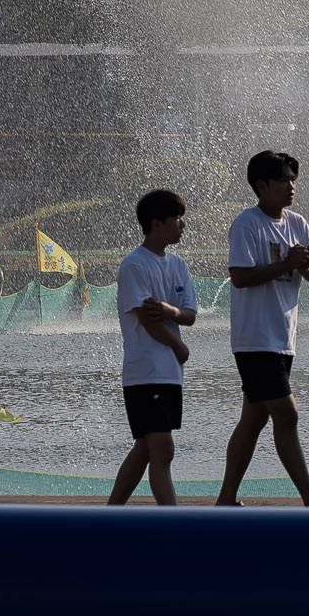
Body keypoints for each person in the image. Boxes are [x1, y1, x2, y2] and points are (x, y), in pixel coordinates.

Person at [216, 150, 309, 507]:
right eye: (283, 180)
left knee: (253, 419)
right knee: (287, 413)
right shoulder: (247, 224)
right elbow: (240, 277)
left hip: (283, 339)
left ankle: (225, 499)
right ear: (261, 186)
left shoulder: (297, 223)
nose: (291, 186)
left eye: (293, 180)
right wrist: (287, 262)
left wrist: (302, 267)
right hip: (254, 339)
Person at [107, 189, 198, 505]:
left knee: (147, 447)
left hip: (169, 374)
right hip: (144, 371)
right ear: (157, 223)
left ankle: (110, 513)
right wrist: (178, 346)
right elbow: (147, 317)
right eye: (176, 218)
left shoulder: (178, 265)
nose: (182, 225)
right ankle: (172, 521)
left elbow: (189, 314)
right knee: (162, 448)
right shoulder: (134, 264)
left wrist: (172, 312)